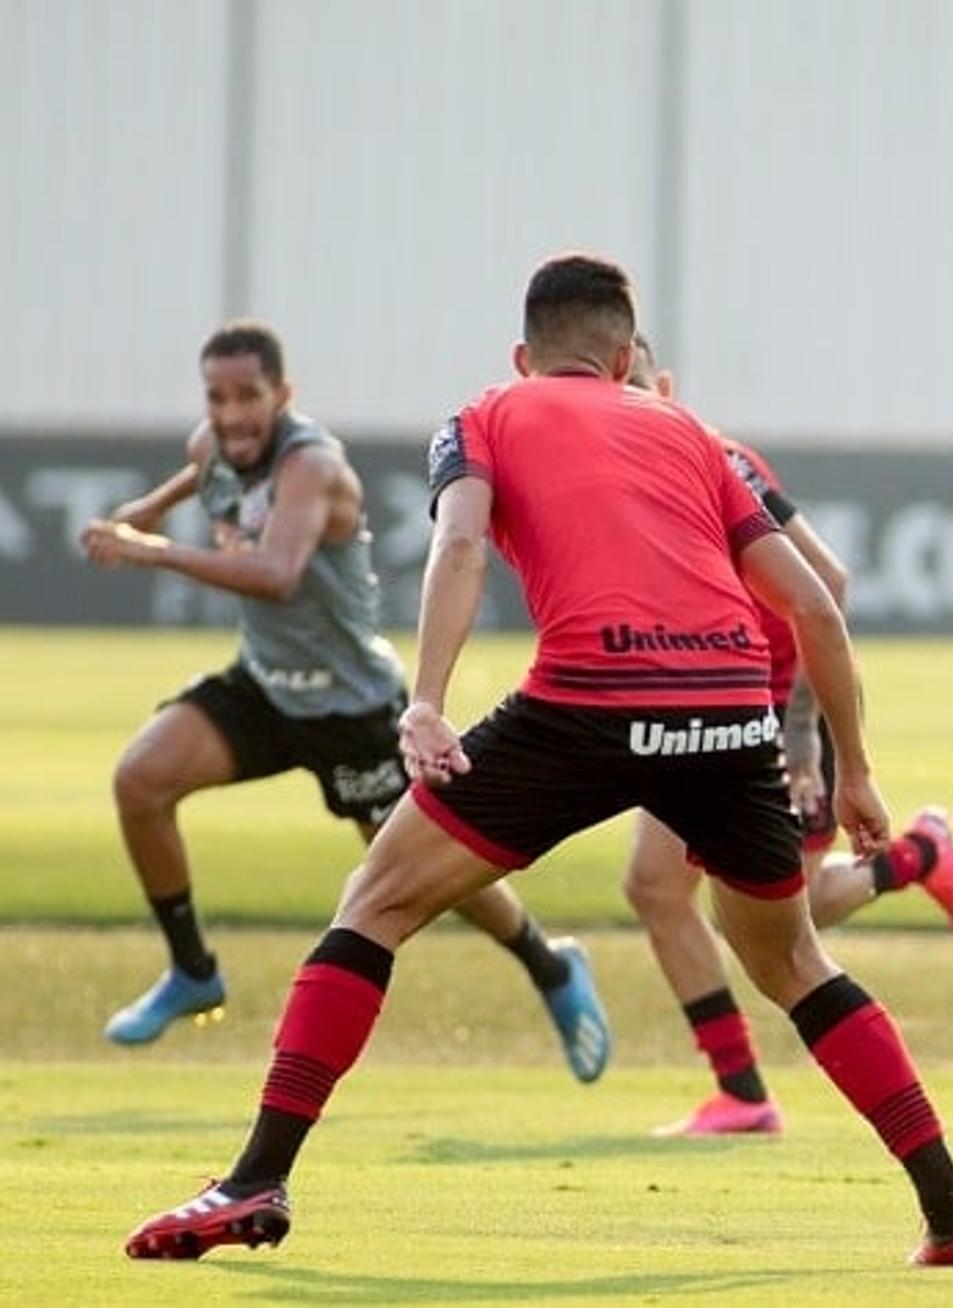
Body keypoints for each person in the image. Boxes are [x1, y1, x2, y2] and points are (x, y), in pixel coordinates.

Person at [124, 257, 953, 1267]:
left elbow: (458, 549)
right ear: (630, 357)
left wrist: (425, 701)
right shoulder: (694, 433)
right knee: (794, 956)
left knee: (376, 904)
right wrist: (854, 768)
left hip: (588, 697)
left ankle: (254, 1181)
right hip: (727, 713)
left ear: (523, 354)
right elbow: (812, 600)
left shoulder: (484, 415)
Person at [78, 321, 611, 1083]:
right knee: (140, 780)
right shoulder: (214, 443)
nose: (232, 414)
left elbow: (278, 573)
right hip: (265, 687)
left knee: (414, 872)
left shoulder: (312, 466)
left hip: (352, 707)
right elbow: (194, 477)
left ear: (282, 395)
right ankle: (193, 971)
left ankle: (549, 965)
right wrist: (144, 512)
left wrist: (151, 551)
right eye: (218, 398)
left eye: (248, 397)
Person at [619, 335, 953, 1138]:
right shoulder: (620, 473)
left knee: (783, 923)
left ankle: (917, 852)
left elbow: (828, 584)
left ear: (668, 385)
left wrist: (802, 738)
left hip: (778, 714)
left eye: (642, 388)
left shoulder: (722, 461)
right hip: (698, 708)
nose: (633, 407)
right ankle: (742, 1092)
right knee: (654, 885)